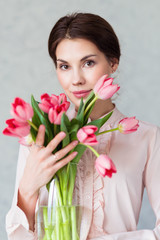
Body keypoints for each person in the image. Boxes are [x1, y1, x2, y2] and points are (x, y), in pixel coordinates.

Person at [6, 12, 160, 240]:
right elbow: (17, 235)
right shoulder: (41, 135)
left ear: (113, 62)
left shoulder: (147, 138)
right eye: (65, 66)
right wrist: (28, 187)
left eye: (88, 63)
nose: (76, 79)